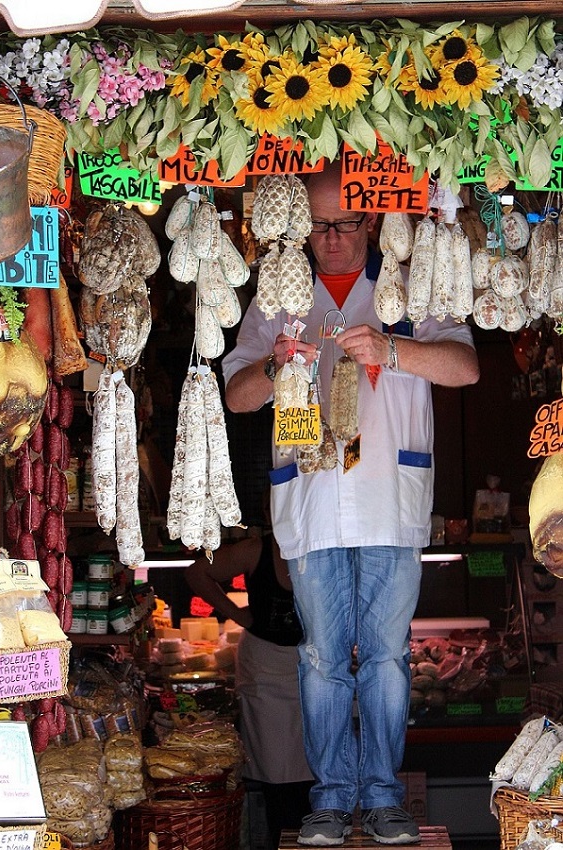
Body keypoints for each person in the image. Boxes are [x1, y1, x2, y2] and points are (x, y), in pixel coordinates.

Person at [221, 160, 480, 846]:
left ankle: (384, 796)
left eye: (342, 223)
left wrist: (393, 349)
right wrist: (275, 366)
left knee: (388, 658)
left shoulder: (404, 283)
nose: (330, 238)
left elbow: (463, 365)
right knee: (320, 658)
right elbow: (235, 393)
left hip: (389, 499)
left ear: (370, 220)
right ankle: (331, 800)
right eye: (317, 227)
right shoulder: (280, 293)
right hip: (309, 504)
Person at [184, 529, 314, 850]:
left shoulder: (325, 541)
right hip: (265, 672)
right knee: (278, 781)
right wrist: (240, 615)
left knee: (317, 777)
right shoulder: (254, 549)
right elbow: (198, 572)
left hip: (315, 667)